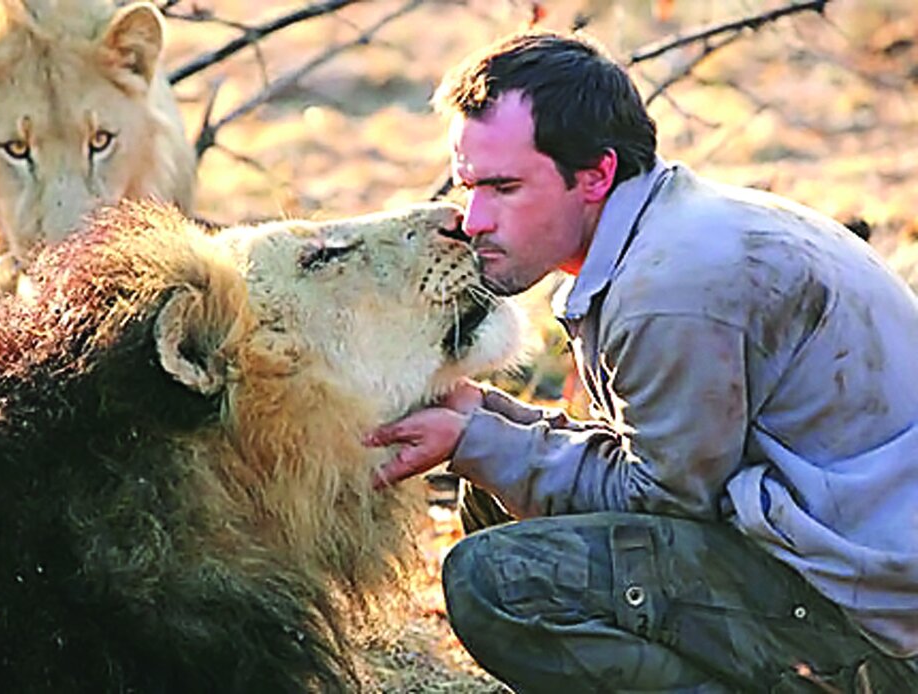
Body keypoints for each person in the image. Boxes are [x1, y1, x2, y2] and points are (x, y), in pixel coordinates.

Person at [365, 30, 918, 692]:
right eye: (469, 186)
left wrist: (480, 441)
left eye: (505, 188)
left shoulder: (669, 287)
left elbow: (665, 500)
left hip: (874, 625)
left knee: (494, 580)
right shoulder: (664, 231)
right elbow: (662, 463)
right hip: (838, 561)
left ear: (596, 174)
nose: (473, 220)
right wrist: (490, 419)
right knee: (500, 493)